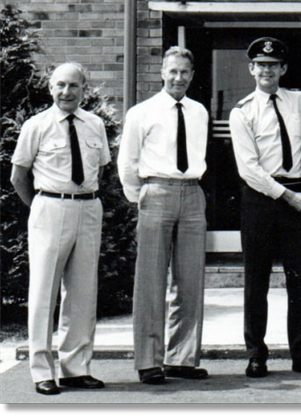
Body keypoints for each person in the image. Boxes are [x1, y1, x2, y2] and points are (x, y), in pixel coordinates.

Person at [229, 36, 301, 378]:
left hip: (297, 198)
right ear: (251, 69)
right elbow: (249, 168)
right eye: (261, 65)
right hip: (261, 199)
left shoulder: (300, 100)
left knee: (299, 282)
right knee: (256, 282)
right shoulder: (242, 111)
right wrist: (287, 196)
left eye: (273, 66)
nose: (266, 71)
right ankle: (256, 355)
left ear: (283, 69)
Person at [10, 62, 110, 395]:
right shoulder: (36, 125)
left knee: (82, 292)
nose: (67, 92)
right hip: (50, 207)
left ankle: (75, 368)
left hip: (88, 208)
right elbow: (18, 176)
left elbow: (101, 170)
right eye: (60, 85)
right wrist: (41, 207)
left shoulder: (95, 124)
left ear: (84, 90)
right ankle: (42, 371)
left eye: (74, 86)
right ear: (50, 88)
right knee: (43, 292)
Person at [118, 46, 209, 385]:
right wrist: (140, 197)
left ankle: (181, 359)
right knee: (151, 279)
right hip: (156, 191)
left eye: (184, 72)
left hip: (192, 193)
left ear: (192, 75)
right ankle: (149, 361)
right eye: (172, 71)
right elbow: (127, 162)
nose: (178, 78)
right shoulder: (141, 112)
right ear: (162, 73)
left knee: (190, 280)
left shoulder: (199, 112)